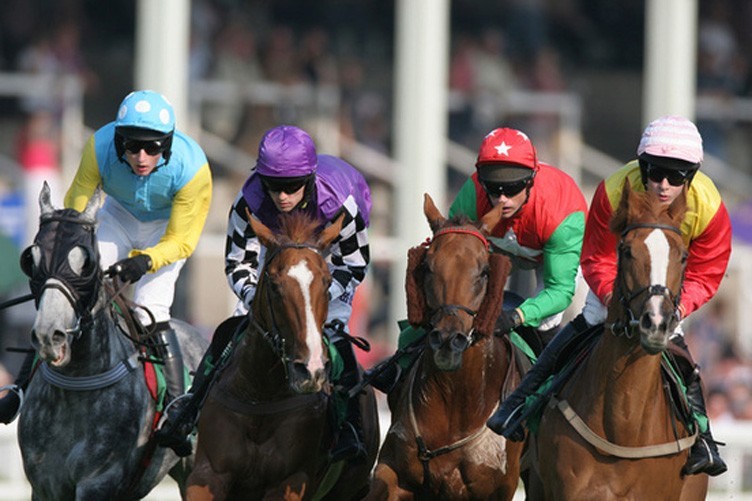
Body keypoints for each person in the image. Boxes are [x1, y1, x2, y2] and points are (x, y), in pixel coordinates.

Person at [487, 115, 731, 477]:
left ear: (691, 176)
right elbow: (597, 257)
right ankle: (518, 407)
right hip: (617, 284)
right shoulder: (615, 190)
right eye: (655, 172)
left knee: (683, 359)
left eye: (676, 176)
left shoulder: (709, 207)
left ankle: (704, 442)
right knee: (578, 331)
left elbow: (706, 271)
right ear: (643, 167)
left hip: (666, 292)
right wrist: (611, 298)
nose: (663, 185)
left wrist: (679, 306)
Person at [156, 125, 372, 462]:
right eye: (273, 185)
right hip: (275, 261)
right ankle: (189, 408)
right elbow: (238, 263)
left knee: (334, 335)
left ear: (309, 180)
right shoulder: (249, 203)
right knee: (232, 330)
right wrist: (259, 300)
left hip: (328, 263)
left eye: (292, 186)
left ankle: (351, 428)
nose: (282, 196)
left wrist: (312, 301)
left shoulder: (340, 205)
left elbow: (354, 264)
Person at [0, 90, 213, 431]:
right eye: (132, 146)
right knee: (68, 285)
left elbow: (181, 242)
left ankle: (176, 405)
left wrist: (145, 261)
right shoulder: (99, 147)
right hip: (118, 217)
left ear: (168, 144)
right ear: (118, 140)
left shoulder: (193, 169)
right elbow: (76, 210)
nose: (141, 157)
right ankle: (20, 389)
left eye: (153, 148)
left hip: (165, 230)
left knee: (150, 308)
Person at [368, 126, 587, 392]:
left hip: (547, 255)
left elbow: (559, 290)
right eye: (493, 188)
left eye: (513, 187)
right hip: (494, 247)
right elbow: (453, 261)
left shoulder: (562, 212)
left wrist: (516, 317)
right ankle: (399, 367)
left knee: (545, 320)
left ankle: (551, 390)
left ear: (531, 179)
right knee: (454, 300)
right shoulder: (471, 196)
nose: (502, 199)